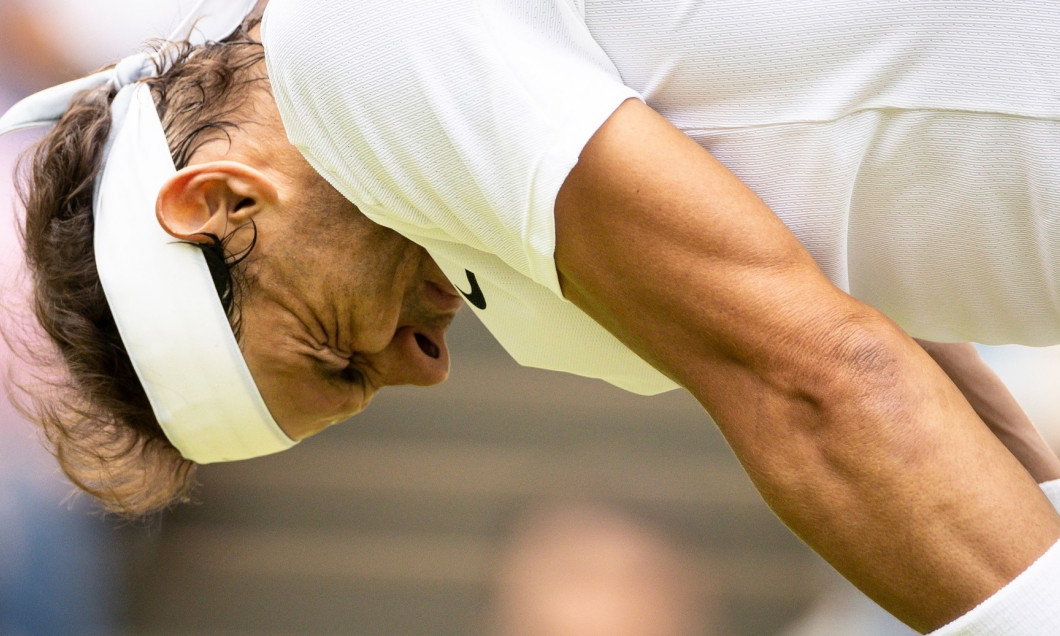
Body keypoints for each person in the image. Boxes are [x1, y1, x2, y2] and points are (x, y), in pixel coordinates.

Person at [2, 0, 1060, 633]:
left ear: (221, 202)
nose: (428, 369)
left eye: (336, 353)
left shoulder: (350, 48)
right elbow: (890, 362)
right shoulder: (513, 269)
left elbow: (822, 382)